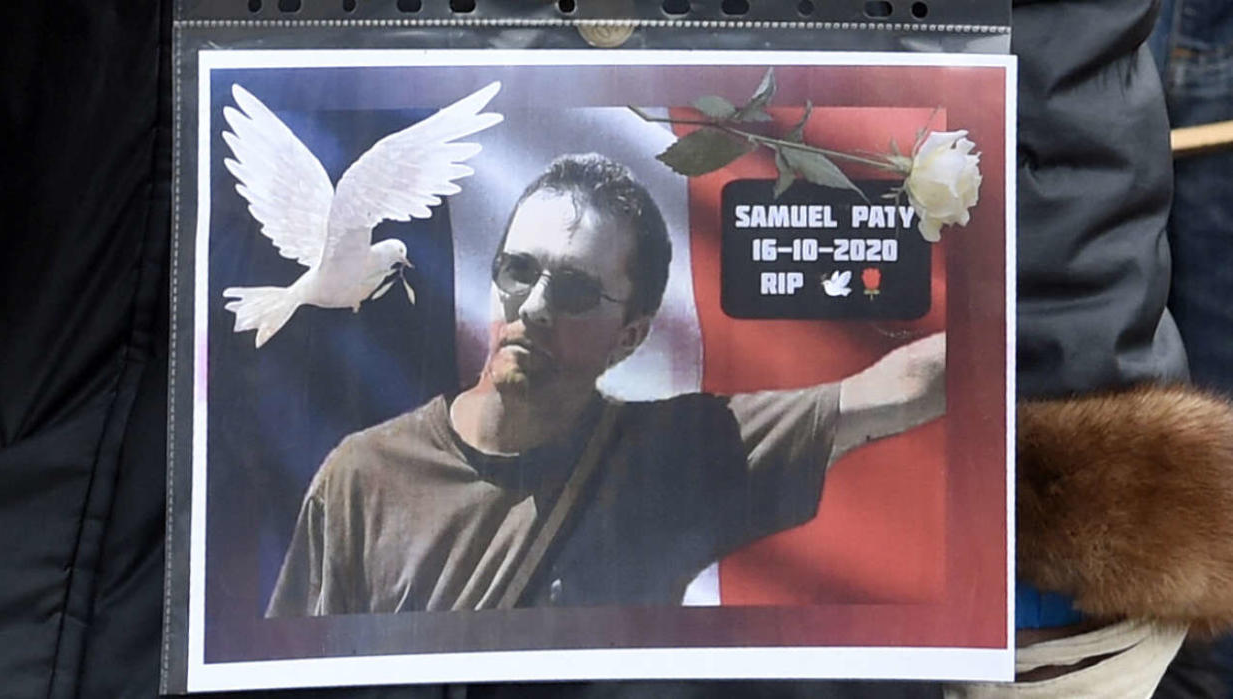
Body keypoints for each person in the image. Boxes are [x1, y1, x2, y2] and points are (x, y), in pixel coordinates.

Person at [266, 153, 945, 616]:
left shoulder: (676, 456)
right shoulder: (362, 476)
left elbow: (906, 386)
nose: (532, 305)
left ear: (632, 334)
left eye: (574, 287)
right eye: (518, 270)